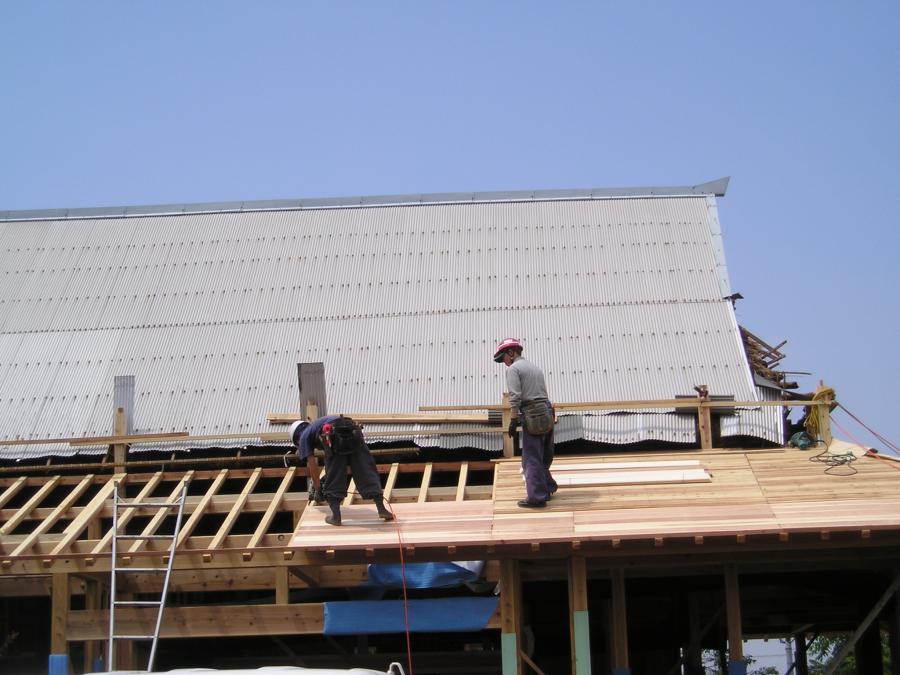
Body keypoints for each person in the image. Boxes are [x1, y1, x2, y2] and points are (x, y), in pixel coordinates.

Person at [289, 415, 395, 526]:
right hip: (351, 429)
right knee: (366, 469)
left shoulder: (303, 437)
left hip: (333, 434)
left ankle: (336, 517)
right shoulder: (315, 426)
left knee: (334, 475)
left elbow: (313, 467)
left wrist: (318, 488)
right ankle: (382, 509)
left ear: (297, 439)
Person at [493, 337, 558, 508]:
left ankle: (537, 497)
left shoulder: (514, 369)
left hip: (533, 414)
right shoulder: (534, 367)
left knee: (531, 459)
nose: (504, 363)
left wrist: (513, 419)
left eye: (503, 358)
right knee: (544, 455)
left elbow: (515, 397)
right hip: (547, 411)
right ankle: (548, 488)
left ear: (511, 353)